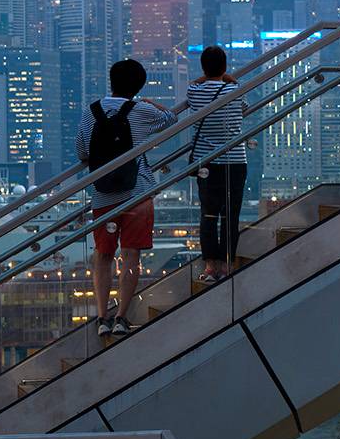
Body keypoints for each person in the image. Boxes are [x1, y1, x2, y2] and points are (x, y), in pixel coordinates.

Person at [77, 59, 175, 339]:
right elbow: (170, 119)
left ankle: (102, 317)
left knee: (103, 256)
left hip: (103, 194)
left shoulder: (91, 112)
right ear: (139, 85)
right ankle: (121, 317)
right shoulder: (141, 110)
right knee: (131, 255)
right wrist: (151, 103)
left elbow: (82, 152)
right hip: (138, 193)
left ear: (111, 81)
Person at [185, 46, 250, 285]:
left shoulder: (194, 91)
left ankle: (210, 266)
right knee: (231, 215)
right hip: (235, 161)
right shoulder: (236, 89)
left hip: (207, 163)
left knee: (209, 215)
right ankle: (227, 265)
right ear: (225, 67)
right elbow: (244, 109)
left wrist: (207, 77)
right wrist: (229, 79)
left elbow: (194, 83)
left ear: (203, 68)